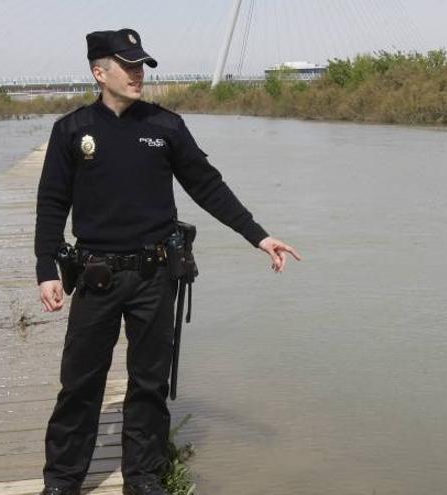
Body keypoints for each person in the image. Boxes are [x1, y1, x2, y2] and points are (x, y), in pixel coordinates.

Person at [35, 28, 300, 495]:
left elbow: (208, 185)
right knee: (80, 384)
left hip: (155, 275)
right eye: (128, 66)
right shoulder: (72, 131)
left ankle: (145, 479)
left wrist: (258, 236)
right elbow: (52, 204)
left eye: (142, 66)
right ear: (100, 72)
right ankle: (61, 481)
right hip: (95, 277)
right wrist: (45, 270)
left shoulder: (166, 127)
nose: (139, 74)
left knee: (149, 384)